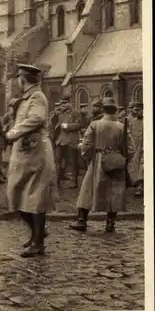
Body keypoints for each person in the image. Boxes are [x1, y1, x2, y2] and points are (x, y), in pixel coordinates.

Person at [5, 64, 56, 258]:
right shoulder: (26, 98)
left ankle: (38, 242)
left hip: (37, 151)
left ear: (23, 79)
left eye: (19, 78)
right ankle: (38, 232)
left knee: (35, 196)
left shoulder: (37, 97)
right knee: (16, 193)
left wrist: (12, 134)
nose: (18, 81)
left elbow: (36, 119)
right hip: (25, 152)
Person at [69, 97, 135, 233]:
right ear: (115, 111)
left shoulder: (95, 124)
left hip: (98, 159)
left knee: (88, 190)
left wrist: (87, 157)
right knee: (115, 192)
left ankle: (82, 221)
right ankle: (110, 224)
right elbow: (131, 149)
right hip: (117, 161)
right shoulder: (122, 126)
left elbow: (86, 144)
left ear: (103, 110)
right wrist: (122, 159)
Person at [54, 95, 81, 189]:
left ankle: (73, 182)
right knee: (57, 160)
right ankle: (57, 179)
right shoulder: (60, 113)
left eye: (65, 103)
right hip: (60, 140)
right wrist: (55, 114)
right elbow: (54, 124)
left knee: (73, 161)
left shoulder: (76, 113)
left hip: (71, 139)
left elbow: (78, 125)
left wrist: (68, 126)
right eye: (62, 103)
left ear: (70, 102)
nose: (63, 105)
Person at [128, 102, 144, 198]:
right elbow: (129, 134)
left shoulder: (147, 121)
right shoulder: (132, 121)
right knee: (135, 166)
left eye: (138, 109)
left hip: (144, 148)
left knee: (143, 166)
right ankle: (137, 185)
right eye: (134, 109)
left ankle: (140, 187)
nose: (135, 111)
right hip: (135, 148)